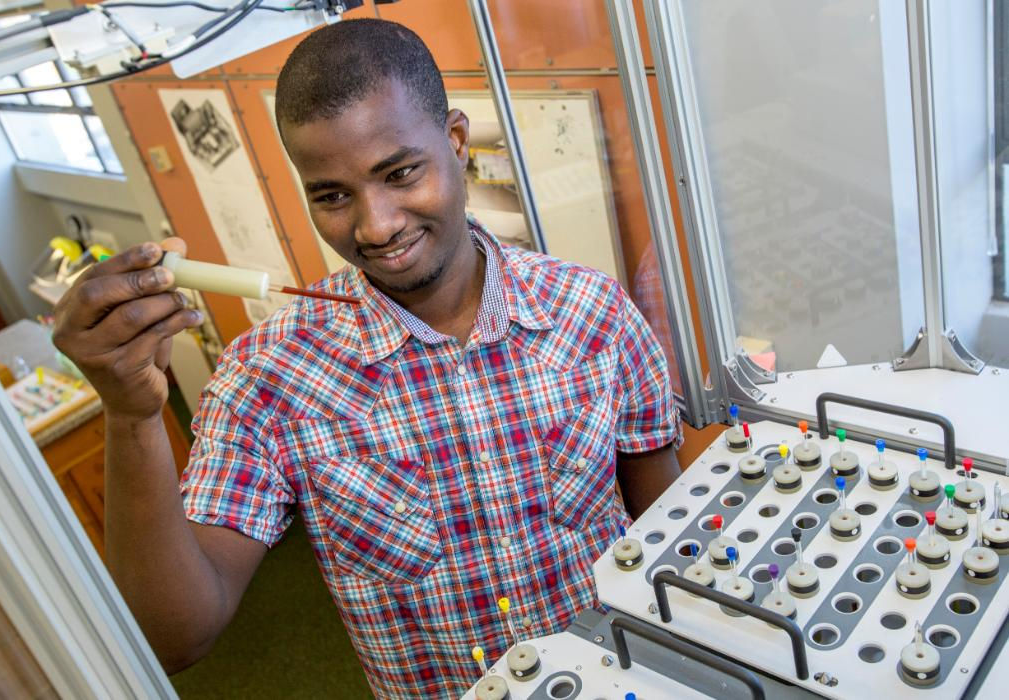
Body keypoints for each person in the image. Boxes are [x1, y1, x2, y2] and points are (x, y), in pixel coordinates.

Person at [51, 18, 682, 699]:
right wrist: (132, 413)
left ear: (456, 141)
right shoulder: (269, 376)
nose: (376, 226)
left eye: (400, 172)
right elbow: (174, 637)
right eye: (332, 195)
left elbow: (663, 529)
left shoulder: (593, 312)